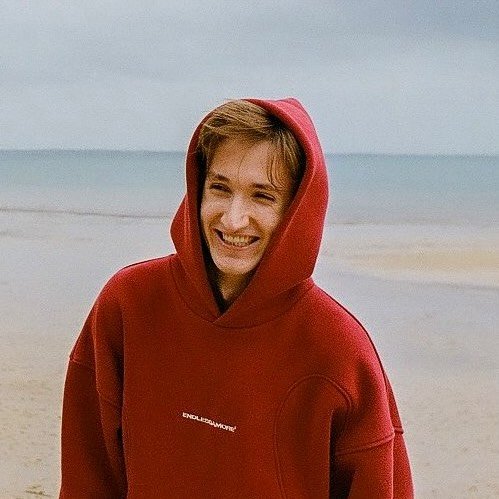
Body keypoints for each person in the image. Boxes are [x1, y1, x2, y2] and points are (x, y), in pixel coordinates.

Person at [60, 98, 414, 498]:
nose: (233, 219)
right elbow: (86, 479)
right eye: (220, 188)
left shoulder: (339, 349)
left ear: (296, 210)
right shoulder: (128, 305)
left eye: (262, 196)